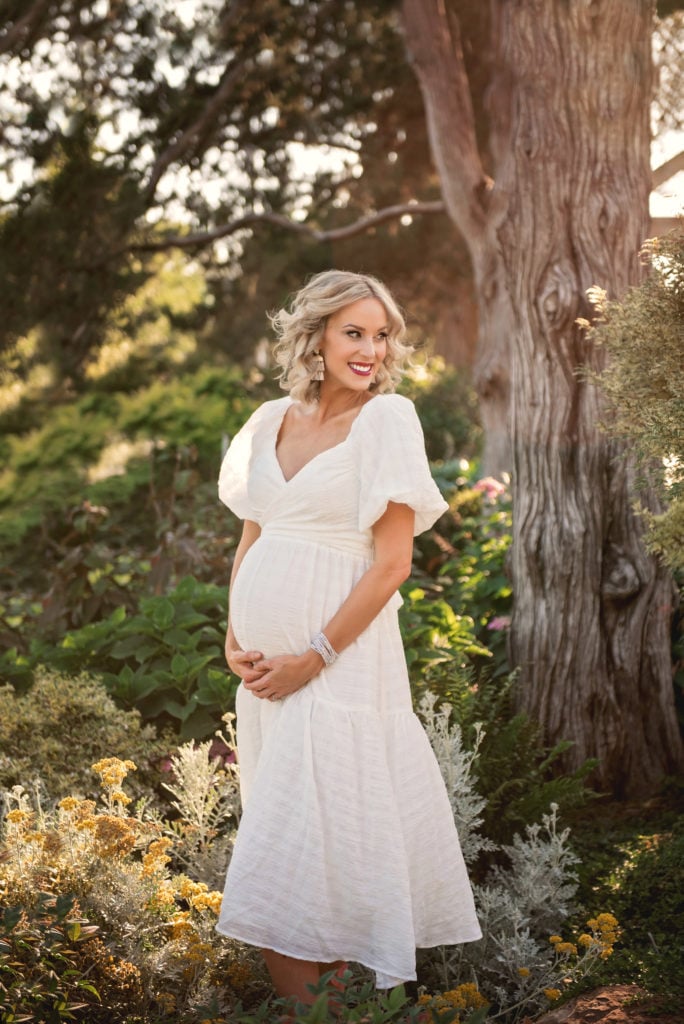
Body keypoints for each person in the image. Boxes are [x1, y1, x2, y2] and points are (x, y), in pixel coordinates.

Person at [216, 270, 481, 1006]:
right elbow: (255, 531)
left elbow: (393, 562)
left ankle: (329, 1016)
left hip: (337, 671)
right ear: (317, 336)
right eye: (354, 332)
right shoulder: (270, 418)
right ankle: (332, 1015)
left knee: (295, 859)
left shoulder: (387, 421)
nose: (371, 349)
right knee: (304, 857)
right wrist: (233, 633)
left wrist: (314, 658)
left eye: (382, 334)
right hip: (268, 676)